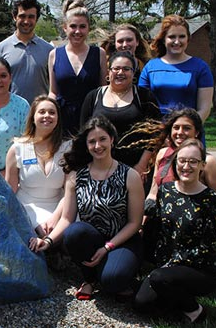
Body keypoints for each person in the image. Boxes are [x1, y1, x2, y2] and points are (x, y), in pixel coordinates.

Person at [30, 116, 144, 300]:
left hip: (123, 240)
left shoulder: (129, 175)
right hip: (92, 238)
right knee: (74, 232)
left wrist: (107, 247)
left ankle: (111, 274)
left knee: (113, 281)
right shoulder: (77, 176)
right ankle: (90, 279)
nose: (98, 146)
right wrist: (49, 241)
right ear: (87, 145)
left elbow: (135, 222)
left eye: (102, 139)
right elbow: (67, 218)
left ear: (112, 140)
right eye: (92, 141)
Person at [134, 139, 216, 324]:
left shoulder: (212, 200)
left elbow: (207, 246)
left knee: (159, 279)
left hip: (198, 268)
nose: (186, 166)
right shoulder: (166, 191)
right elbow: (159, 230)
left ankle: (195, 311)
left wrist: (170, 266)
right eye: (182, 160)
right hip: (167, 265)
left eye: (193, 161)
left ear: (202, 165)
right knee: (141, 304)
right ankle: (173, 298)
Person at [80, 51, 161, 176]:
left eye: (126, 69)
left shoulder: (144, 97)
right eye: (116, 68)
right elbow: (83, 134)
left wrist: (141, 166)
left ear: (133, 72)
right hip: (99, 167)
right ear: (108, 72)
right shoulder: (93, 97)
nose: (120, 72)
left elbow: (155, 135)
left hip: (135, 169)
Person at [5, 96, 69, 237]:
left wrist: (56, 218)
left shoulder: (68, 149)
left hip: (60, 208)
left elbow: (71, 192)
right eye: (42, 112)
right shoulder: (17, 149)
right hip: (27, 208)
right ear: (33, 117)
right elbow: (10, 191)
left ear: (58, 118)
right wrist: (32, 222)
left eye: (52, 112)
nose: (47, 115)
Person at [49, 0, 107, 138]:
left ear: (88, 28)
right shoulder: (54, 54)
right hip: (62, 122)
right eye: (73, 26)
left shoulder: (99, 54)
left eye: (82, 26)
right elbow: (53, 92)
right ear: (65, 27)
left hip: (91, 121)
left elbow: (104, 91)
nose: (77, 31)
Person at [139, 15, 213, 122]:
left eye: (182, 36)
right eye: (172, 37)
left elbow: (204, 109)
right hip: (156, 131)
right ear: (164, 39)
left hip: (188, 132)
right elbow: (142, 104)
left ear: (188, 39)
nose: (177, 41)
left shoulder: (201, 68)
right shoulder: (150, 67)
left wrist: (187, 127)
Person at [0, 0, 54, 103]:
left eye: (31, 17)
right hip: (9, 112)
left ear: (36, 19)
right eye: (22, 16)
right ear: (14, 17)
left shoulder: (49, 50)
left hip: (39, 114)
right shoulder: (0, 49)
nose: (26, 21)